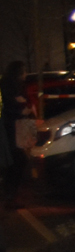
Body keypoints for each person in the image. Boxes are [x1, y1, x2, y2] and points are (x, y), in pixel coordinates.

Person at [2, 61, 26, 211]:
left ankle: (10, 196)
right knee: (17, 161)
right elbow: (7, 108)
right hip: (8, 131)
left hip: (10, 130)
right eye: (23, 72)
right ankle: (10, 197)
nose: (25, 75)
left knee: (14, 162)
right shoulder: (7, 87)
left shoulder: (10, 86)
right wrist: (20, 111)